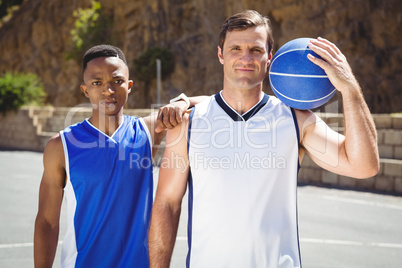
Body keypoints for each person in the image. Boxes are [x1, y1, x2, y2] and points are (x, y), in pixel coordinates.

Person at [148, 10, 379, 268]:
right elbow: (167, 204)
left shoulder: (295, 121)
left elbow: (364, 165)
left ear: (270, 57)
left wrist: (350, 89)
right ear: (221, 55)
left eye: (256, 50)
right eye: (236, 48)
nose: (246, 58)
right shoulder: (189, 123)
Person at [34, 44, 203, 268]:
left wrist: (183, 101)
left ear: (129, 85)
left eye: (117, 81)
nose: (108, 90)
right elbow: (47, 221)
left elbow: (216, 102)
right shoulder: (61, 145)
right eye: (97, 83)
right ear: (85, 90)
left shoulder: (148, 130)